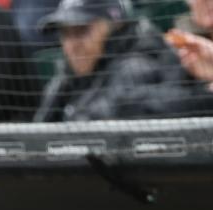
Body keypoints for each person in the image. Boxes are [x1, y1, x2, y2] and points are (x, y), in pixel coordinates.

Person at [33, 0, 202, 121]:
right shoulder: (67, 78)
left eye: (81, 31)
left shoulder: (138, 63)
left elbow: (105, 119)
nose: (72, 46)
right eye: (65, 34)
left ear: (114, 26)